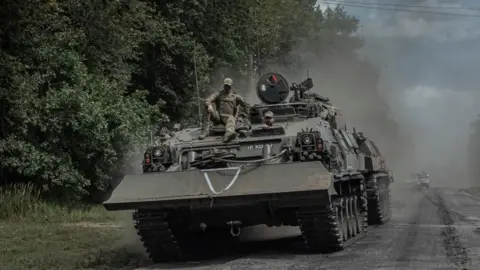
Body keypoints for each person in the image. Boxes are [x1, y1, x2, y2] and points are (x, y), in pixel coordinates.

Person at [198, 78, 250, 143]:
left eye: (228, 86)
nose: (227, 87)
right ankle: (204, 131)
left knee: (231, 118)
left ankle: (228, 134)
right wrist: (209, 105)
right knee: (207, 109)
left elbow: (247, 105)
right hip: (218, 117)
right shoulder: (218, 94)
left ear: (231, 86)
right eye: (226, 86)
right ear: (223, 86)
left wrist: (243, 117)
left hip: (229, 118)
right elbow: (208, 100)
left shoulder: (235, 96)